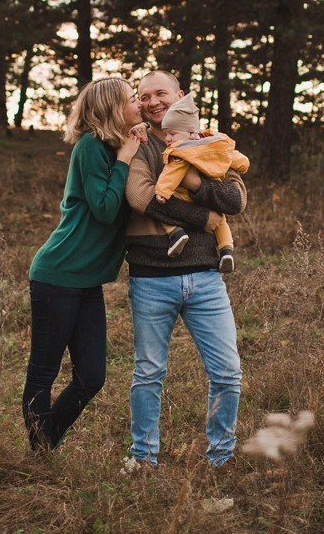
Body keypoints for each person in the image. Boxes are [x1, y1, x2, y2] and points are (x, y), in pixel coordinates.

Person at [121, 70, 246, 470]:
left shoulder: (209, 139)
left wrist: (191, 179)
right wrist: (206, 219)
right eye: (145, 96)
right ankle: (143, 459)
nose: (154, 101)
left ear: (181, 95)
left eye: (162, 93)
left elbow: (234, 198)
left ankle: (221, 459)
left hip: (207, 278)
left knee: (227, 373)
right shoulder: (137, 143)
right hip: (151, 276)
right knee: (149, 373)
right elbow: (141, 196)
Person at [22, 77, 144, 451]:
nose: (139, 103)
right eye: (132, 98)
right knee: (44, 370)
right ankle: (40, 450)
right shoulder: (91, 148)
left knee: (92, 376)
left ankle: (46, 439)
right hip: (58, 275)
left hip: (86, 282)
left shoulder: (119, 148)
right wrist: (125, 157)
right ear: (112, 108)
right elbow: (106, 210)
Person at [153, 93, 250, 273]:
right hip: (210, 200)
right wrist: (243, 164)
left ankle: (176, 233)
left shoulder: (180, 152)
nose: (167, 139)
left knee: (163, 211)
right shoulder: (211, 144)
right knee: (221, 222)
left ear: (190, 133)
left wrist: (162, 192)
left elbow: (172, 174)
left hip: (183, 196)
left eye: (172, 134)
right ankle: (227, 250)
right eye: (166, 134)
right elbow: (231, 157)